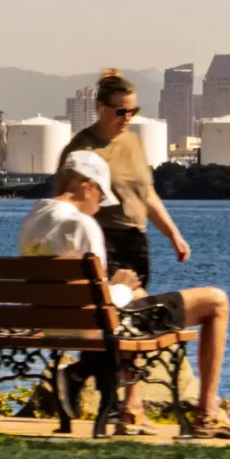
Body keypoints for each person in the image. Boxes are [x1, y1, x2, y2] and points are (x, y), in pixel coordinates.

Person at [17, 151, 230, 439]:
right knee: (216, 301)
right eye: (100, 196)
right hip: (94, 326)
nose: (99, 206)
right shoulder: (82, 225)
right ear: (87, 186)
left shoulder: (32, 220)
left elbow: (81, 292)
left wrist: (120, 288)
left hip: (50, 322)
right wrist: (122, 285)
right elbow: (102, 305)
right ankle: (207, 413)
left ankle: (125, 405)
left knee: (137, 293)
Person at [58, 72, 189, 295]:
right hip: (102, 238)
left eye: (132, 111)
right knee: (123, 303)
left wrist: (173, 235)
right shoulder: (82, 150)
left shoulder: (134, 142)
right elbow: (66, 204)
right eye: (120, 111)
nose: (127, 117)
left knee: (133, 307)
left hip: (136, 239)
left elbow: (147, 195)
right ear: (100, 107)